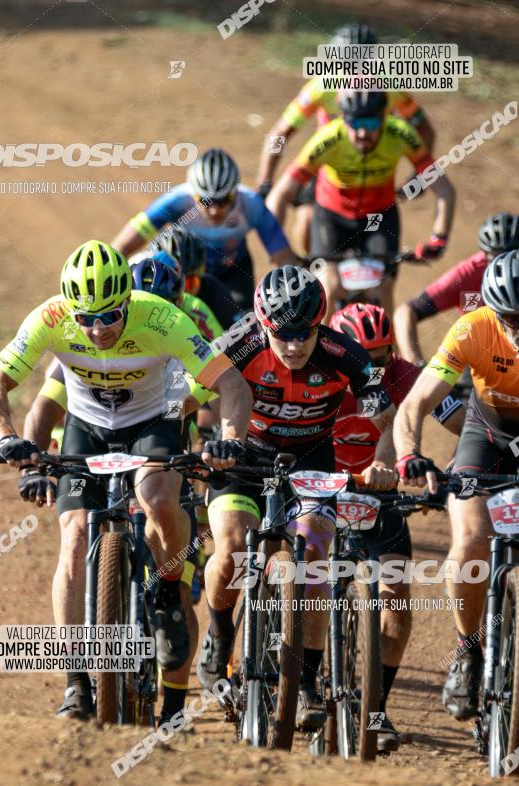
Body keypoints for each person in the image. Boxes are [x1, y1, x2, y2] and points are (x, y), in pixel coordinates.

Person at [0, 239, 252, 723]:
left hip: (152, 421)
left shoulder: (163, 319)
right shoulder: (50, 317)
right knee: (75, 536)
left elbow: (230, 383)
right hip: (87, 427)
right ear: (70, 310)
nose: (98, 329)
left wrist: (228, 439)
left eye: (109, 316)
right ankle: (77, 682)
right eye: (86, 319)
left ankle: (168, 587)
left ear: (128, 300)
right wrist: (8, 439)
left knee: (158, 497)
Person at [195, 265, 398, 731]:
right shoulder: (240, 343)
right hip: (244, 458)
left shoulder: (341, 353)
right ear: (263, 324)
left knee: (315, 554)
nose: (293, 345)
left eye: (303, 333)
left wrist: (383, 461)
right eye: (282, 334)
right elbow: (187, 395)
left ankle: (305, 682)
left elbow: (386, 418)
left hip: (311, 459)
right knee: (230, 547)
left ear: (320, 323)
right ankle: (221, 635)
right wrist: (198, 442)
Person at [330, 303, 464, 749]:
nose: (375, 366)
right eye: (364, 356)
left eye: (383, 355)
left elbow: (463, 423)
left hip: (380, 496)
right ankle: (296, 681)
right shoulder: (325, 372)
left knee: (396, 606)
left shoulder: (405, 374)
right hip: (322, 490)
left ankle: (375, 710)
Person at [393, 249, 519, 720]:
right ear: (491, 310)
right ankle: (468, 652)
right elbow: (415, 403)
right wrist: (409, 453)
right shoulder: (472, 328)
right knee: (469, 542)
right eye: (509, 318)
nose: (518, 328)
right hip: (487, 436)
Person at [267, 90, 455, 319]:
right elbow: (280, 194)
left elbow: (444, 189)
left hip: (379, 216)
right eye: (355, 122)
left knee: (382, 290)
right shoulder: (328, 138)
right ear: (342, 117)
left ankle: (388, 353)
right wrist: (276, 246)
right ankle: (319, 352)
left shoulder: (400, 134)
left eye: (371, 121)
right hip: (332, 216)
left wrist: (439, 237)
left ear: (385, 117)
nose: (363, 132)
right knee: (328, 287)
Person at [257, 23, 435, 254]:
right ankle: (310, 276)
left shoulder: (391, 87)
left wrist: (420, 176)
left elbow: (425, 130)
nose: (355, 73)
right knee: (307, 222)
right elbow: (279, 135)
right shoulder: (321, 87)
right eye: (346, 65)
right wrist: (265, 183)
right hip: (328, 159)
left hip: (372, 165)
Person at [112, 148, 297, 311]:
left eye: (223, 200)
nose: (214, 209)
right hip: (184, 271)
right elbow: (122, 246)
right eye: (205, 200)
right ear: (193, 193)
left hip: (232, 271)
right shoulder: (176, 201)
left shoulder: (252, 205)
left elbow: (285, 259)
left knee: (242, 327)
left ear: (236, 192)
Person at [394, 213, 519, 366]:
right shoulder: (466, 275)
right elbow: (406, 311)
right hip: (482, 355)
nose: (507, 264)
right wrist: (415, 363)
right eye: (497, 259)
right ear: (484, 254)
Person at [151, 228, 239, 329]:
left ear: (202, 271)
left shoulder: (213, 289)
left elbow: (236, 328)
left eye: (189, 284)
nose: (181, 295)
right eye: (172, 284)